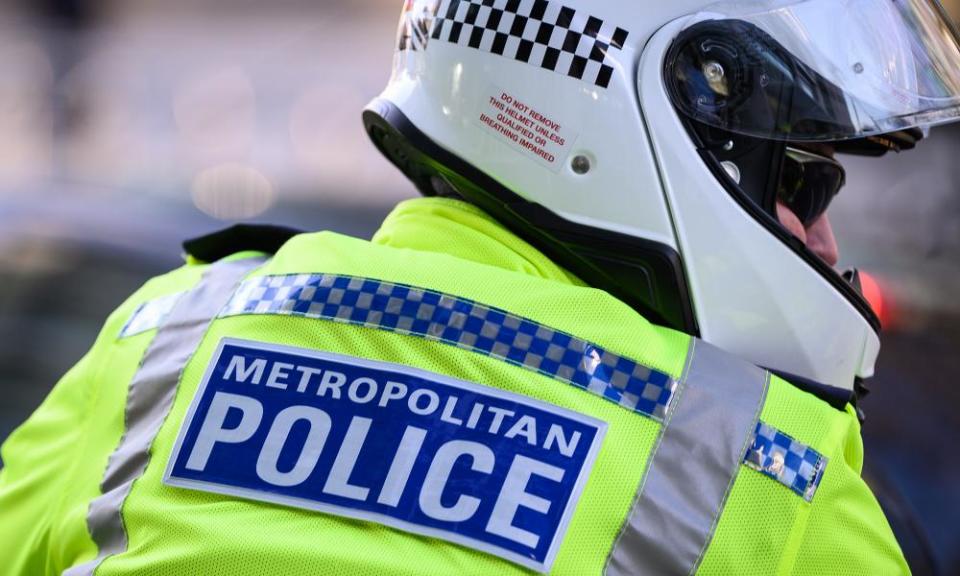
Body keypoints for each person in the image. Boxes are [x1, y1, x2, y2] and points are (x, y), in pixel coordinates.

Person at [2, 0, 959, 574]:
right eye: (797, 180)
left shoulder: (164, 337)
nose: (825, 239)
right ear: (620, 122)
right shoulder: (767, 474)